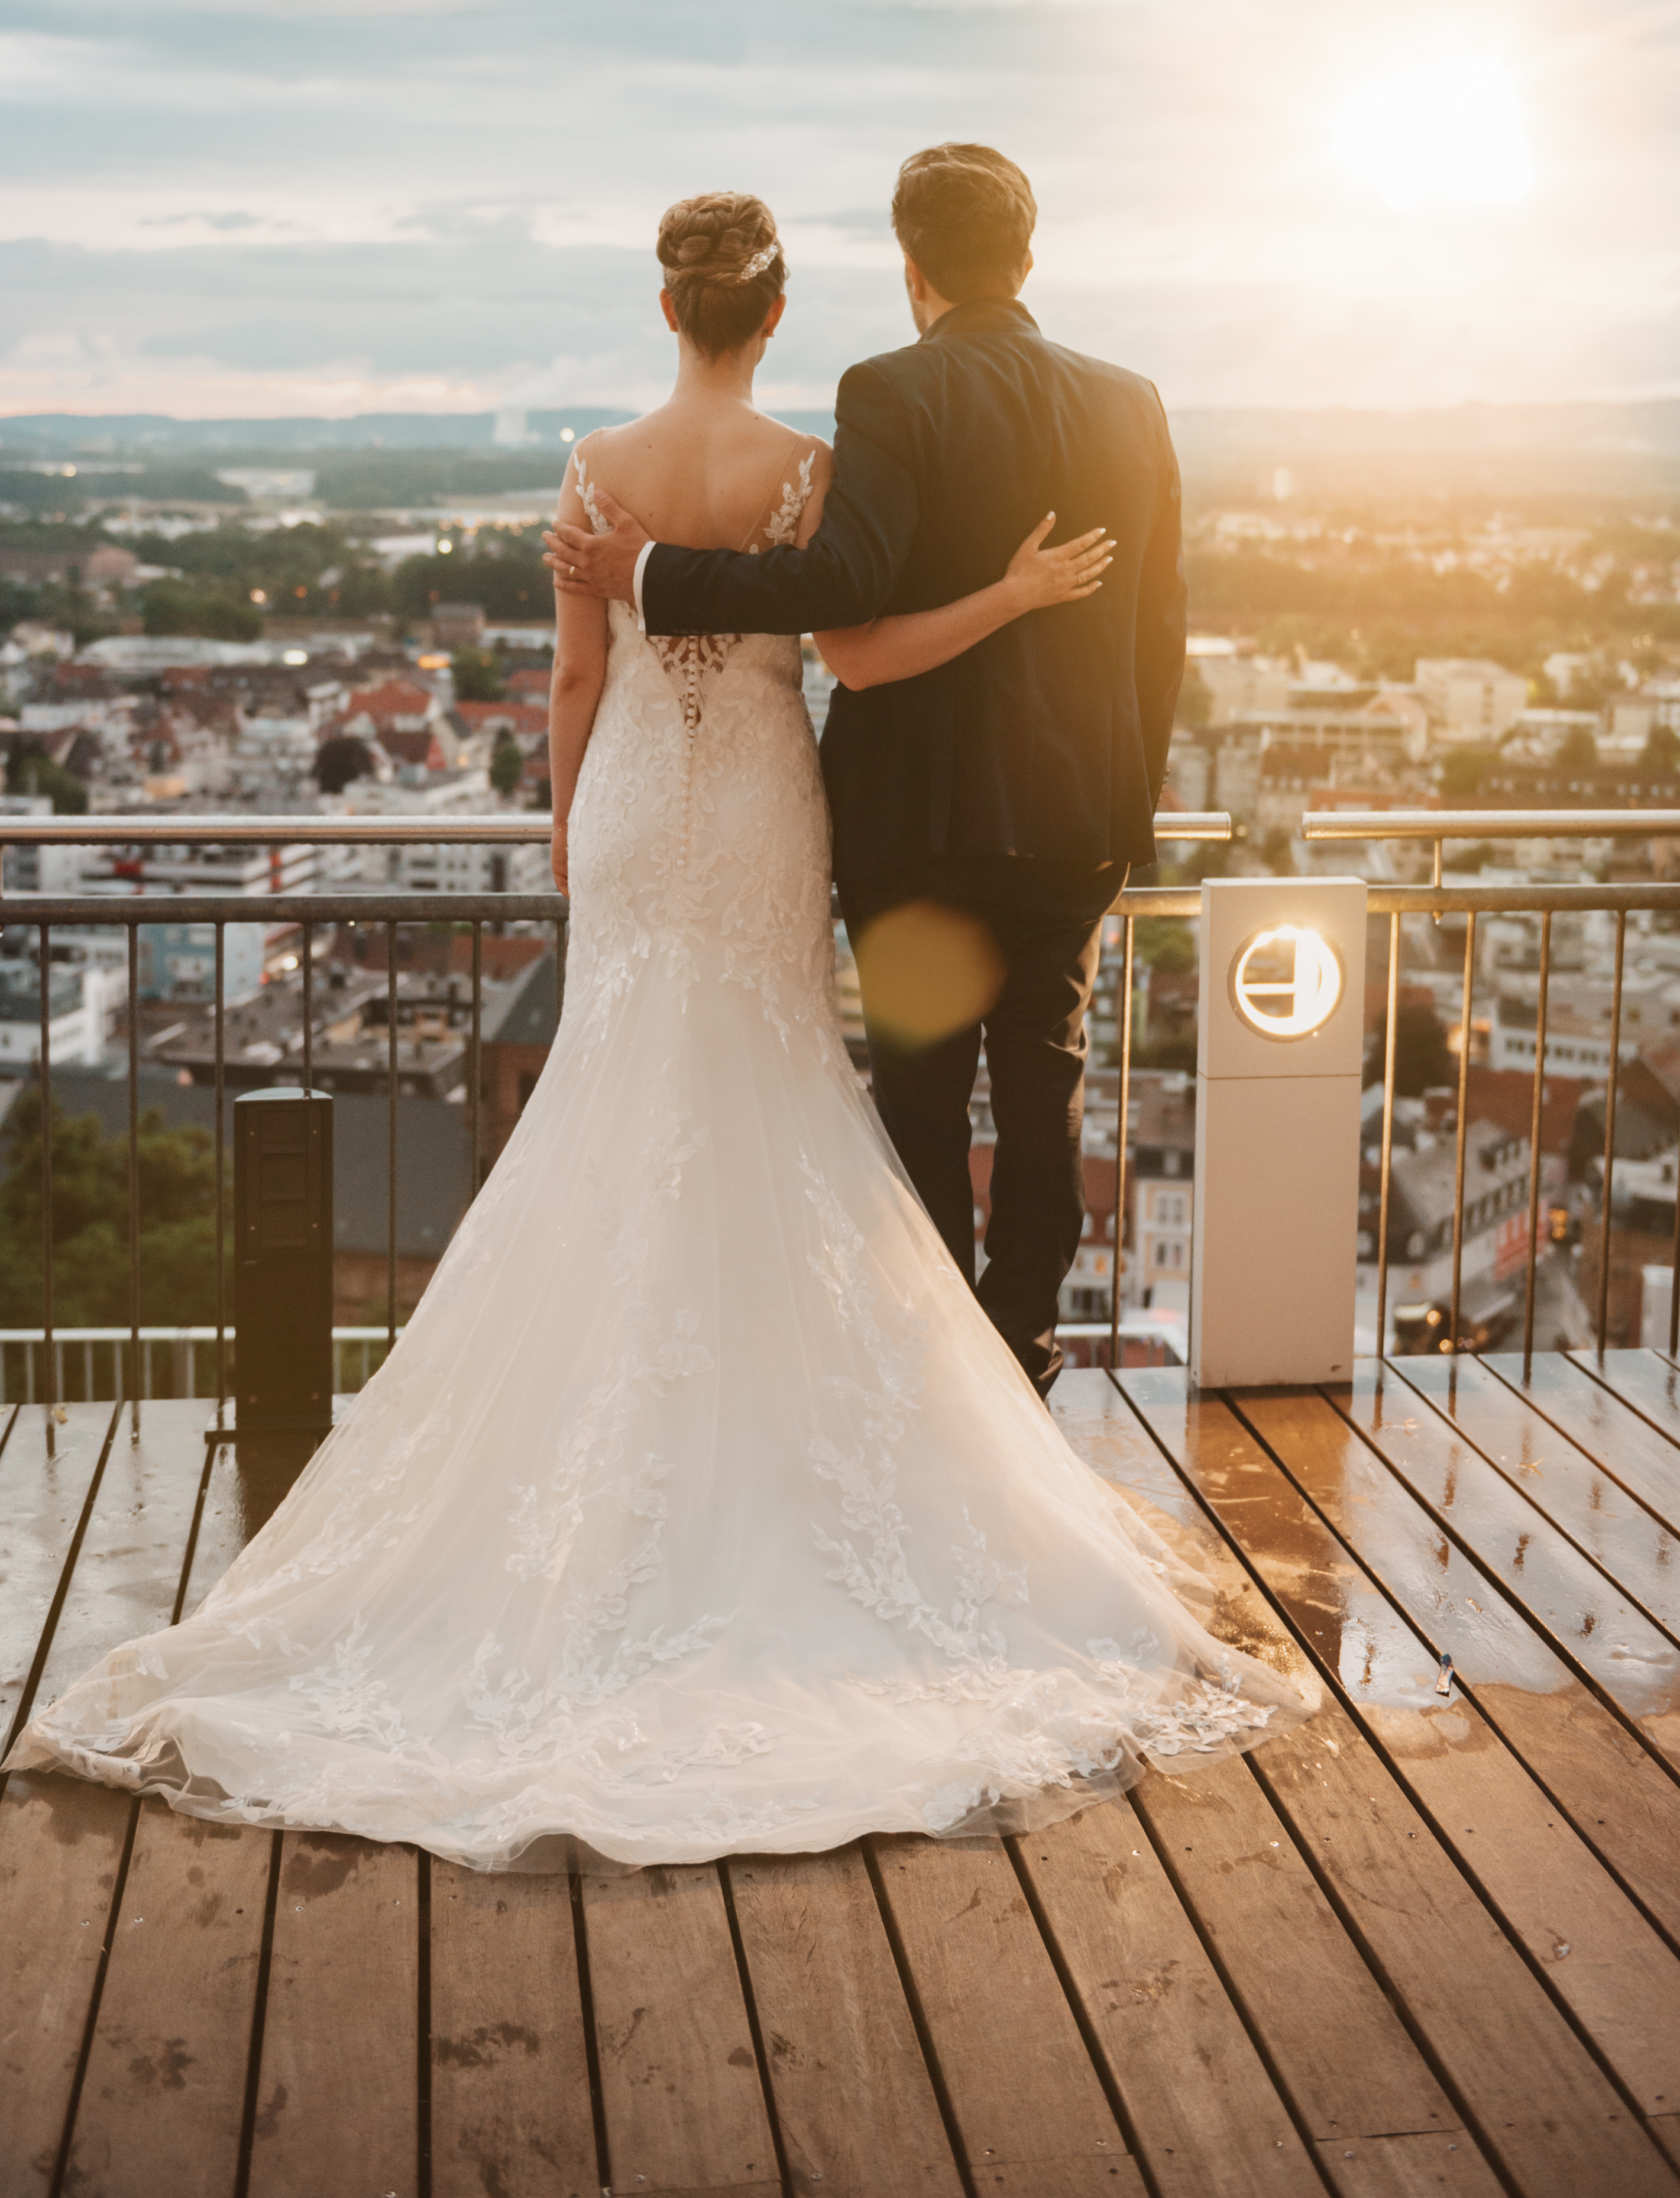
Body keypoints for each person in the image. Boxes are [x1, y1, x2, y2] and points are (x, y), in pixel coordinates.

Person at [7, 188, 1300, 1875]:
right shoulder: (808, 463)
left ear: (668, 308)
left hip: (628, 805)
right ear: (773, 316)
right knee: (790, 1098)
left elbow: (571, 680)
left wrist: (570, 827)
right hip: (764, 805)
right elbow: (858, 649)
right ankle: (917, 1420)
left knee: (612, 1108)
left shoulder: (592, 469)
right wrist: (1008, 595)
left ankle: (583, 1477)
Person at [548, 144, 1185, 1400]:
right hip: (1073, 818)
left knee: (921, 1104)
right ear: (1027, 257)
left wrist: (650, 574)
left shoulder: (893, 391)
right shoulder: (1132, 401)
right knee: (1045, 1090)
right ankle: (1019, 1351)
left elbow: (843, 589)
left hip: (917, 815)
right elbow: (1159, 628)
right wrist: (1127, 796)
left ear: (910, 267)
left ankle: (934, 1365)